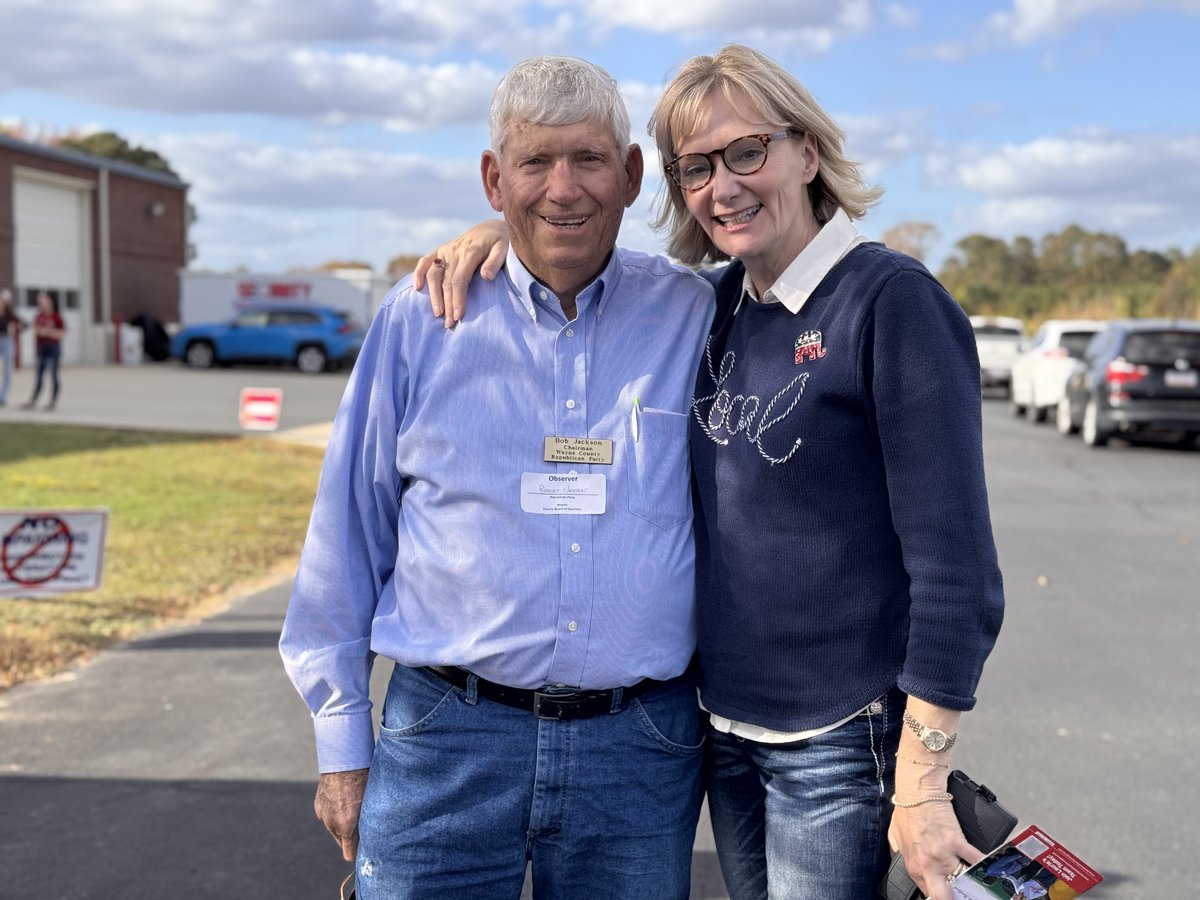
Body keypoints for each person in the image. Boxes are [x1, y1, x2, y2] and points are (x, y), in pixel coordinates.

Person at [416, 43, 1005, 900]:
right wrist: (492, 234)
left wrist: (921, 773)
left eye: (747, 152)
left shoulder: (890, 302)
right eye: (696, 166)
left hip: (838, 739)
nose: (722, 186)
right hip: (723, 733)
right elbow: (576, 252)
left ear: (807, 150)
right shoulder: (718, 304)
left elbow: (959, 571)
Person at [279, 56, 716, 900]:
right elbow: (347, 531)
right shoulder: (421, 321)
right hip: (447, 736)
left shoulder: (696, 316)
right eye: (535, 163)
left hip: (638, 749)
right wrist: (340, 739)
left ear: (629, 175)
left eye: (589, 160)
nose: (564, 189)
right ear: (493, 178)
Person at [20, 291, 65, 411]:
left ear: (50, 301)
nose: (42, 303)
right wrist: (45, 332)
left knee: (54, 375)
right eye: (40, 301)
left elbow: (61, 333)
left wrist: (48, 332)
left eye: (44, 300)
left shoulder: (56, 316)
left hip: (53, 348)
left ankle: (53, 401)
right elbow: (36, 331)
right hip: (42, 348)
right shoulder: (39, 316)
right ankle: (33, 400)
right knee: (39, 375)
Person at [0, 288, 21, 407]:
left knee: (7, 370)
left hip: (7, 340)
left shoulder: (10, 314)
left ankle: (3, 396)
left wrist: (15, 330)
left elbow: (23, 324)